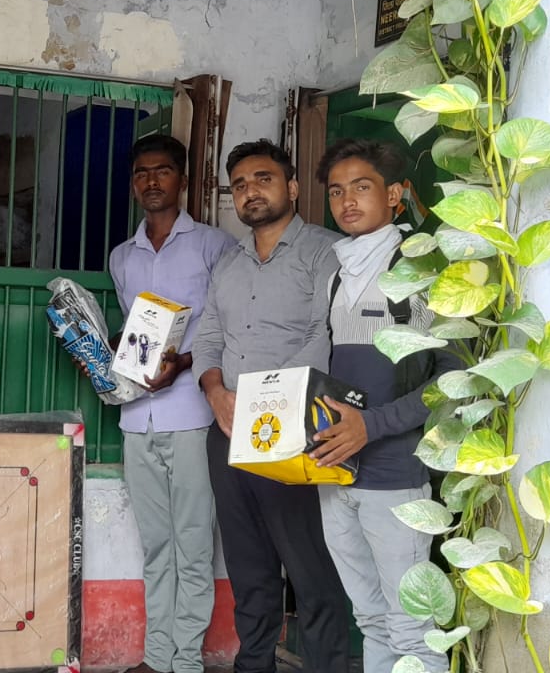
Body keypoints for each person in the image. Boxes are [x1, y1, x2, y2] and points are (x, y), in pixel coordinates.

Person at [190, 139, 352, 673]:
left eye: (263, 179)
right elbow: (209, 337)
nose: (250, 192)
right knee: (248, 567)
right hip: (228, 430)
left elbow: (322, 333)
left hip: (295, 428)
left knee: (310, 568)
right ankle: (253, 664)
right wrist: (215, 393)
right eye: (239, 185)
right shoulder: (229, 262)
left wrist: (270, 402)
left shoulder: (326, 253)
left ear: (293, 187)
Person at [309, 139, 460, 673]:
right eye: (336, 191)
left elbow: (453, 378)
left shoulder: (422, 270)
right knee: (371, 618)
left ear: (394, 195)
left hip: (397, 477)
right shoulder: (335, 275)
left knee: (412, 628)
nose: (347, 201)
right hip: (336, 474)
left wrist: (370, 427)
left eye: (362, 187)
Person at [106, 134, 235, 673]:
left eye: (162, 171)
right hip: (137, 417)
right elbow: (135, 333)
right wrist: (106, 353)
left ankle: (185, 661)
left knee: (194, 543)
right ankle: (158, 658)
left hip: (192, 416)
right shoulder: (122, 257)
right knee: (157, 545)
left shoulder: (214, 246)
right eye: (141, 172)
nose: (151, 181)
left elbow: (224, 327)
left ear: (182, 179)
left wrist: (182, 364)